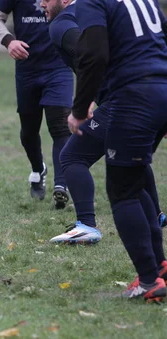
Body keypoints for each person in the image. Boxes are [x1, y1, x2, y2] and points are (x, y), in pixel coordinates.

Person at [42, 0, 166, 244]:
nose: (40, 3)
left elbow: (90, 54)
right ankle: (156, 215)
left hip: (126, 99)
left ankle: (86, 224)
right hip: (157, 92)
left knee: (73, 157)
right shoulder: (117, 9)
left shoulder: (62, 23)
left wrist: (84, 99)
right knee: (132, 159)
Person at [68, 0, 167, 299]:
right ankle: (159, 267)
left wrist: (79, 108)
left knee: (123, 190)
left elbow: (94, 54)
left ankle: (149, 281)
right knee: (135, 182)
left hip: (134, 95)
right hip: (160, 90)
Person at [0, 0, 73, 208]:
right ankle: (38, 169)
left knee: (60, 126)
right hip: (27, 70)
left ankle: (61, 186)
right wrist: (9, 41)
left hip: (59, 68)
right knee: (28, 130)